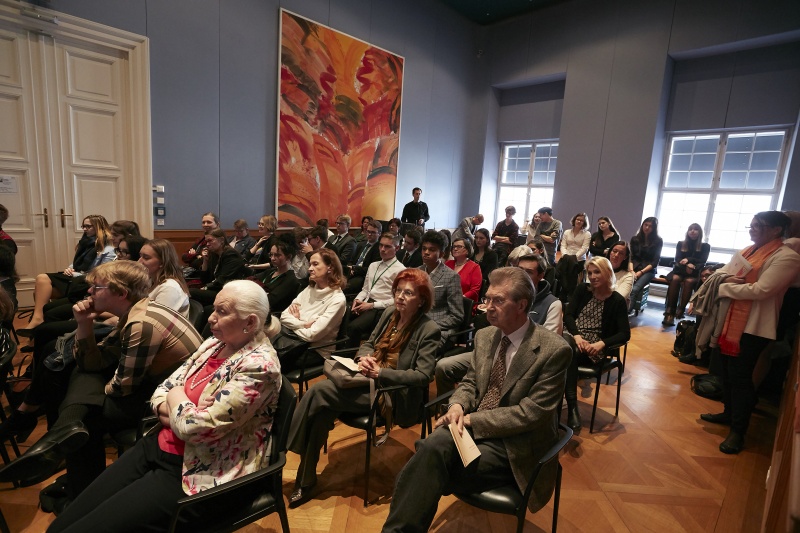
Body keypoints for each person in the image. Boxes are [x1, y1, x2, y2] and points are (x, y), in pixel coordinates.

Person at [45, 281, 281, 531]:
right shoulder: (216, 343)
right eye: (214, 309)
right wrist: (182, 403)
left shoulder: (259, 366)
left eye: (222, 312)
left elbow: (194, 428)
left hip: (199, 471)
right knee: (61, 525)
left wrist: (177, 397)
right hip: (157, 445)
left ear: (251, 323)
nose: (211, 318)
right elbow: (164, 387)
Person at [383, 267, 571, 533]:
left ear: (522, 305)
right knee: (432, 455)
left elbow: (531, 413)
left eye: (498, 300)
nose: (488, 307)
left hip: (515, 447)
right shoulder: (485, 336)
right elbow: (471, 383)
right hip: (472, 436)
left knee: (428, 456)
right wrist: (458, 404)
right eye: (488, 298)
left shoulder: (553, 350)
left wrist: (470, 419)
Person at [0, 262, 204, 501]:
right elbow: (95, 360)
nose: (89, 292)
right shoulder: (137, 310)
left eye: (96, 287)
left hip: (169, 402)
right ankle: (65, 440)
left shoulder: (141, 323)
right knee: (80, 374)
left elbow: (121, 388)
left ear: (121, 293)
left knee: (85, 414)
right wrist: (84, 323)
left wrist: (93, 390)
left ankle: (79, 486)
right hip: (155, 387)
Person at [288, 268, 439, 508]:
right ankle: (305, 481)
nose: (400, 296)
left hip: (390, 395)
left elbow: (422, 376)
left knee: (319, 391)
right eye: (398, 290)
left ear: (421, 300)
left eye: (408, 293)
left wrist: (381, 373)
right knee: (321, 412)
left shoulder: (428, 330)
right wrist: (364, 358)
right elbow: (368, 344)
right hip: (365, 380)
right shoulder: (390, 313)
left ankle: (284, 452)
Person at [699, 211, 800, 454]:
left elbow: (763, 290)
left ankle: (738, 431)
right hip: (731, 320)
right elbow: (725, 273)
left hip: (754, 326)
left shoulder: (787, 257)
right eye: (751, 225)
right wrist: (726, 280)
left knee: (741, 378)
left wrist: (724, 288)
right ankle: (728, 413)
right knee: (726, 372)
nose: (752, 230)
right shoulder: (749, 250)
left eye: (758, 226)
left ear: (776, 230)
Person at [563, 257, 631, 432]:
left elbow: (624, 333)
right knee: (566, 348)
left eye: (597, 272)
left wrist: (602, 344)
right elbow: (569, 315)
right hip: (573, 338)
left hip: (594, 346)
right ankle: (570, 406)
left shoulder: (617, 300)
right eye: (590, 272)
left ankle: (569, 407)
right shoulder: (582, 290)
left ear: (607, 272)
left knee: (564, 354)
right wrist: (577, 336)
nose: (592, 276)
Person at [21, 214, 115, 333]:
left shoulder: (109, 249)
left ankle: (38, 321)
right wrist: (69, 269)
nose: (84, 229)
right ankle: (38, 319)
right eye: (83, 226)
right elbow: (76, 263)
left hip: (85, 282)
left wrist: (74, 273)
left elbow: (99, 273)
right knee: (41, 282)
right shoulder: (84, 242)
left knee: (42, 287)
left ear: (98, 227)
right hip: (75, 277)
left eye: (88, 226)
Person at [278, 248, 347, 371]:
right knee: (261, 353)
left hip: (314, 350)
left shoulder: (337, 300)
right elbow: (283, 316)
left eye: (315, 264)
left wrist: (293, 323)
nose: (309, 268)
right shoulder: (310, 289)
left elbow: (313, 335)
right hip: (293, 341)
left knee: (270, 360)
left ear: (330, 268)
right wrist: (303, 324)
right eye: (310, 264)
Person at [346, 232, 405, 347]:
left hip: (380, 308)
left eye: (387, 246)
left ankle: (347, 357)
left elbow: (396, 300)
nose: (382, 249)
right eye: (381, 245)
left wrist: (371, 306)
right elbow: (365, 289)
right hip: (365, 301)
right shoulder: (373, 265)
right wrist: (357, 300)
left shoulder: (400, 270)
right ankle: (334, 350)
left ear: (397, 248)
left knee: (354, 327)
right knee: (342, 315)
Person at [417, 230, 463, 349]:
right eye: (424, 248)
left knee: (415, 348)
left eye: (432, 250)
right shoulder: (418, 271)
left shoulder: (451, 276)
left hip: (440, 328)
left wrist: (429, 325)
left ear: (441, 254)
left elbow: (457, 316)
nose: (426, 253)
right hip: (417, 322)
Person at [663, 223, 710, 326]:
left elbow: (702, 261)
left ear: (700, 232)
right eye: (690, 229)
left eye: (695, 229)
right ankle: (670, 311)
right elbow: (678, 259)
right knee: (675, 279)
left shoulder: (705, 246)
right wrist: (688, 264)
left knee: (688, 282)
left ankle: (681, 309)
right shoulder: (681, 244)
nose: (692, 231)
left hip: (695, 272)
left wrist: (689, 260)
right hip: (681, 270)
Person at [188, 228, 247, 307]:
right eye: (206, 242)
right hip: (217, 290)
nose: (207, 244)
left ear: (222, 240)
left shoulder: (231, 255)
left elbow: (223, 280)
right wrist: (205, 261)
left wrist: (206, 287)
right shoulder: (214, 254)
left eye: (210, 241)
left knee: (190, 293)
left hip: (229, 293)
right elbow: (204, 280)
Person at [139, 239, 192, 317]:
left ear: (162, 262)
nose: (139, 261)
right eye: (140, 256)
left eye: (146, 258)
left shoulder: (169, 288)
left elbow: (156, 323)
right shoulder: (150, 281)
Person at [251, 237, 300, 315]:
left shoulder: (291, 279)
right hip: (258, 309)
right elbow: (249, 282)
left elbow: (270, 300)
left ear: (289, 257)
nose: (273, 258)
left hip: (273, 316)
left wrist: (254, 291)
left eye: (277, 255)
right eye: (271, 255)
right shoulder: (270, 271)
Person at [629, 217, 663, 312]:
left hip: (648, 269)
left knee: (635, 289)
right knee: (626, 285)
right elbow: (631, 258)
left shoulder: (658, 241)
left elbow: (655, 262)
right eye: (645, 225)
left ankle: (627, 312)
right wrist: (631, 271)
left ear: (654, 228)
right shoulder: (635, 239)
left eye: (650, 226)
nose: (647, 228)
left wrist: (641, 272)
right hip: (633, 267)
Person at [346, 220, 383, 291]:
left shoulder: (380, 249)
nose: (369, 234)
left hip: (363, 276)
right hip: (351, 271)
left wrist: (354, 268)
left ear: (379, 234)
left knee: (345, 287)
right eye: (368, 231)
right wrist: (349, 268)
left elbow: (371, 269)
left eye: (373, 232)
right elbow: (351, 260)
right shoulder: (361, 244)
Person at [445, 238, 482, 302]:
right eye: (454, 247)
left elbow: (474, 290)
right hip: (446, 300)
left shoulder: (475, 267)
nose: (455, 249)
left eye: (459, 247)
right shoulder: (448, 263)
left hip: (464, 303)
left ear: (467, 250)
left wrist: (460, 298)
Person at [472, 228, 498, 297]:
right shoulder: (473, 253)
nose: (478, 240)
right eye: (476, 237)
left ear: (487, 240)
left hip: (484, 285)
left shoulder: (492, 255)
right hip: (471, 283)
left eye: (481, 238)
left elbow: (489, 274)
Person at [608, 241, 634, 307]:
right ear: (610, 252)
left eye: (621, 253)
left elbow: (619, 298)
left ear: (625, 257)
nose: (616, 255)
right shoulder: (599, 269)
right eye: (614, 251)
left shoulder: (628, 276)